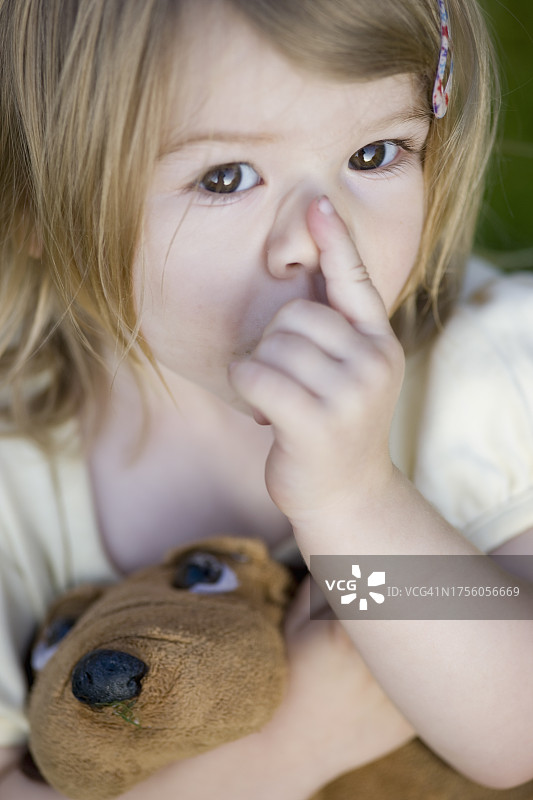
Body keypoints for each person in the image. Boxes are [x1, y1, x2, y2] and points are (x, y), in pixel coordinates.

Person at [1, 0, 532, 797]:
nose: (321, 238)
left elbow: (514, 732)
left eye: (376, 152)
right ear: (39, 201)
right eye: (225, 177)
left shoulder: (481, 377)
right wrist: (292, 748)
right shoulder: (16, 484)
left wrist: (355, 499)